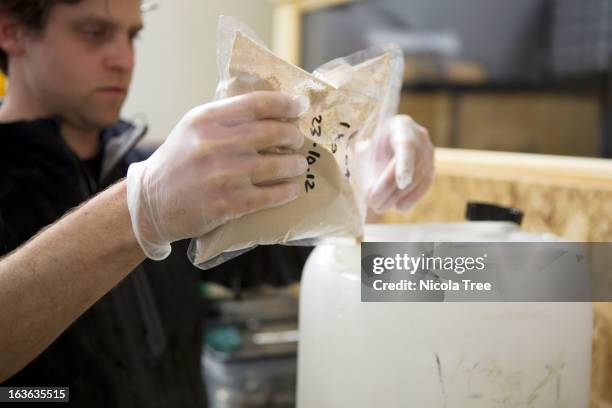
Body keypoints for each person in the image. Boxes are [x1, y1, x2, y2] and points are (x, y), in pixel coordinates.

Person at [0, 0, 434, 406]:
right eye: (94, 33)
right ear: (11, 30)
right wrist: (139, 208)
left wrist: (360, 181)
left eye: (131, 36)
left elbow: (290, 257)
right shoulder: (153, 181)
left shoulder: (157, 167)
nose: (123, 59)